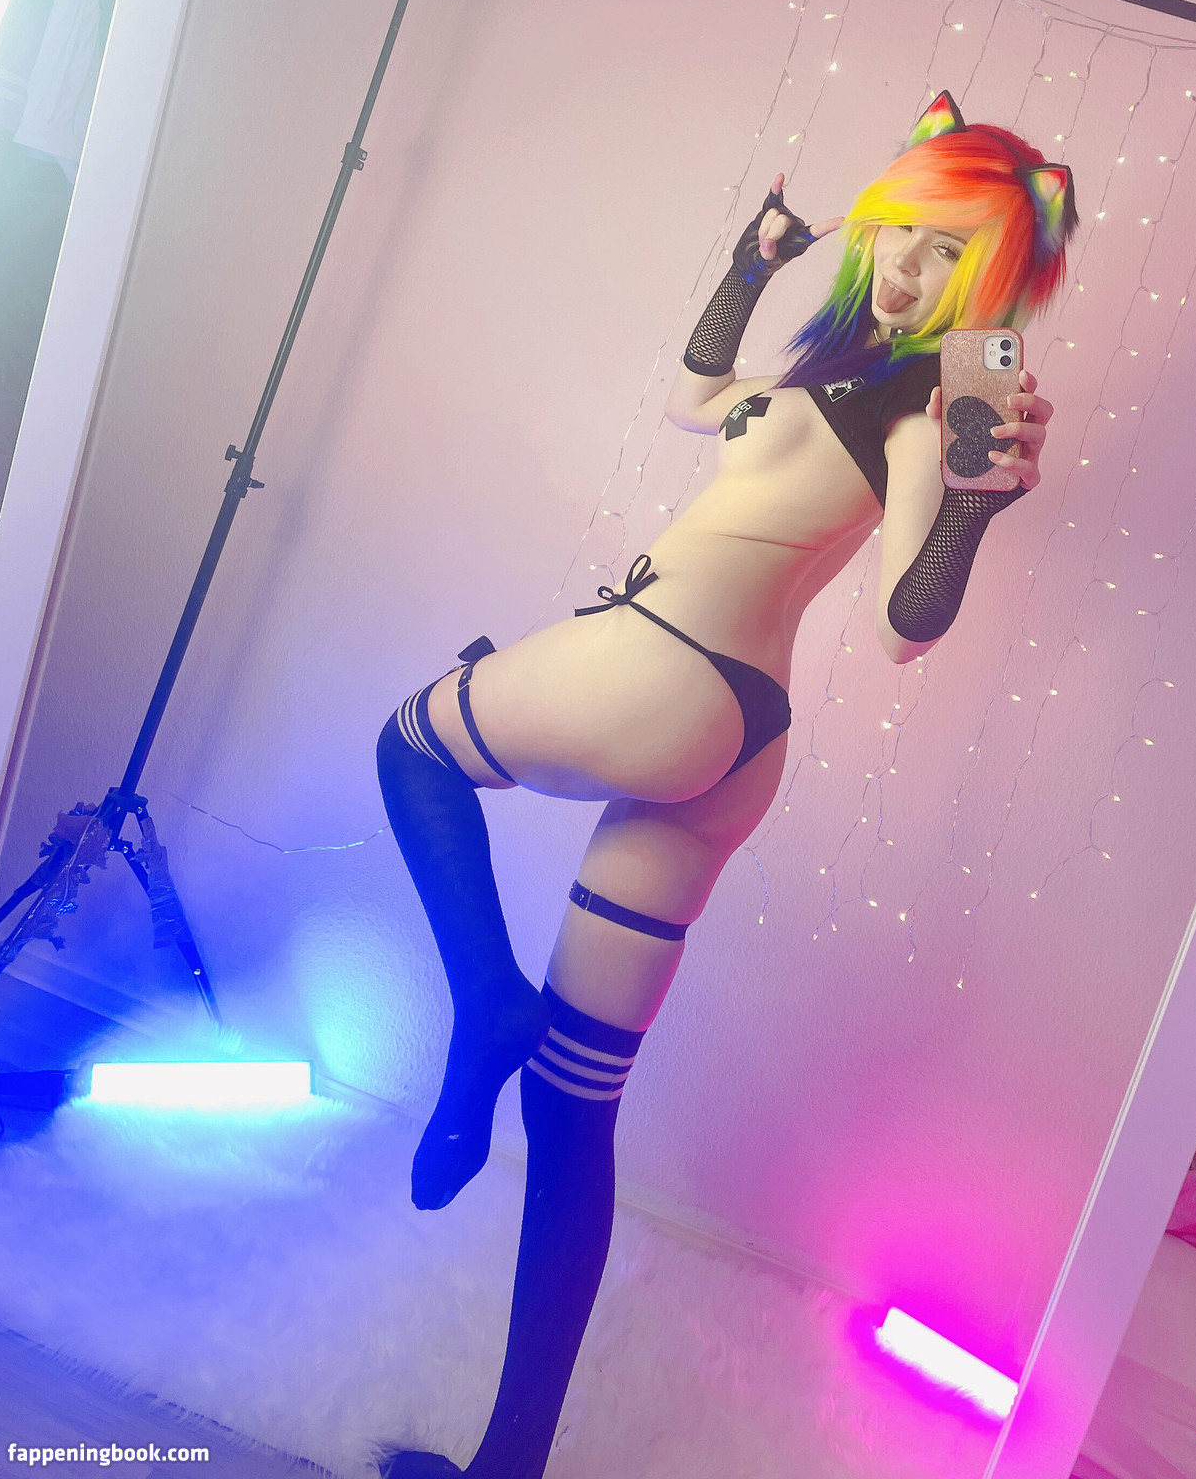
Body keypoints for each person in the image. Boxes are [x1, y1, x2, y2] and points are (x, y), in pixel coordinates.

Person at [376, 92, 1073, 1478]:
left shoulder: (931, 405)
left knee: (411, 746)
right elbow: (696, 395)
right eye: (899, 232)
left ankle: (485, 1005)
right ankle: (511, 1460)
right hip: (737, 743)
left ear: (993, 284)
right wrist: (755, 265)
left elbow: (906, 624)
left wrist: (977, 513)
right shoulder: (844, 370)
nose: (906, 266)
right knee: (571, 1110)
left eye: (948, 253)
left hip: (666, 666)